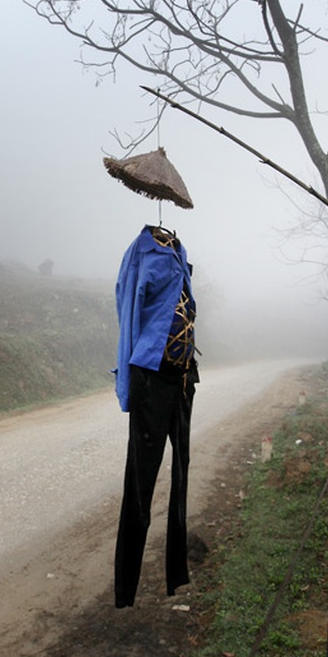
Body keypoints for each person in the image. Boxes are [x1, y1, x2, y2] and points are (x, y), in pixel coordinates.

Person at [113, 225, 199, 608]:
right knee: (140, 483)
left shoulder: (179, 250)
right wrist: (127, 386)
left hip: (182, 376)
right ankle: (126, 590)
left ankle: (176, 575)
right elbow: (128, 313)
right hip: (150, 375)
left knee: (182, 470)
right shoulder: (142, 253)